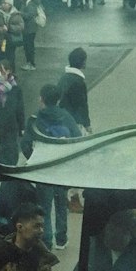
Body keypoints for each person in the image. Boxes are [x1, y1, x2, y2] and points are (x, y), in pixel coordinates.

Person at [22, 83, 80, 250]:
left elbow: (26, 143)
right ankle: (61, 238)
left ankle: (46, 240)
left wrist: (33, 159)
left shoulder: (35, 118)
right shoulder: (66, 116)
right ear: (58, 99)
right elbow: (76, 138)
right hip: (61, 168)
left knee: (44, 207)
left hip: (44, 168)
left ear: (42, 99)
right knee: (62, 203)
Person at [58, 47, 91, 133]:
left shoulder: (63, 78)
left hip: (62, 118)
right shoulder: (78, 82)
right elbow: (82, 105)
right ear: (82, 62)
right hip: (74, 121)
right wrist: (87, 124)